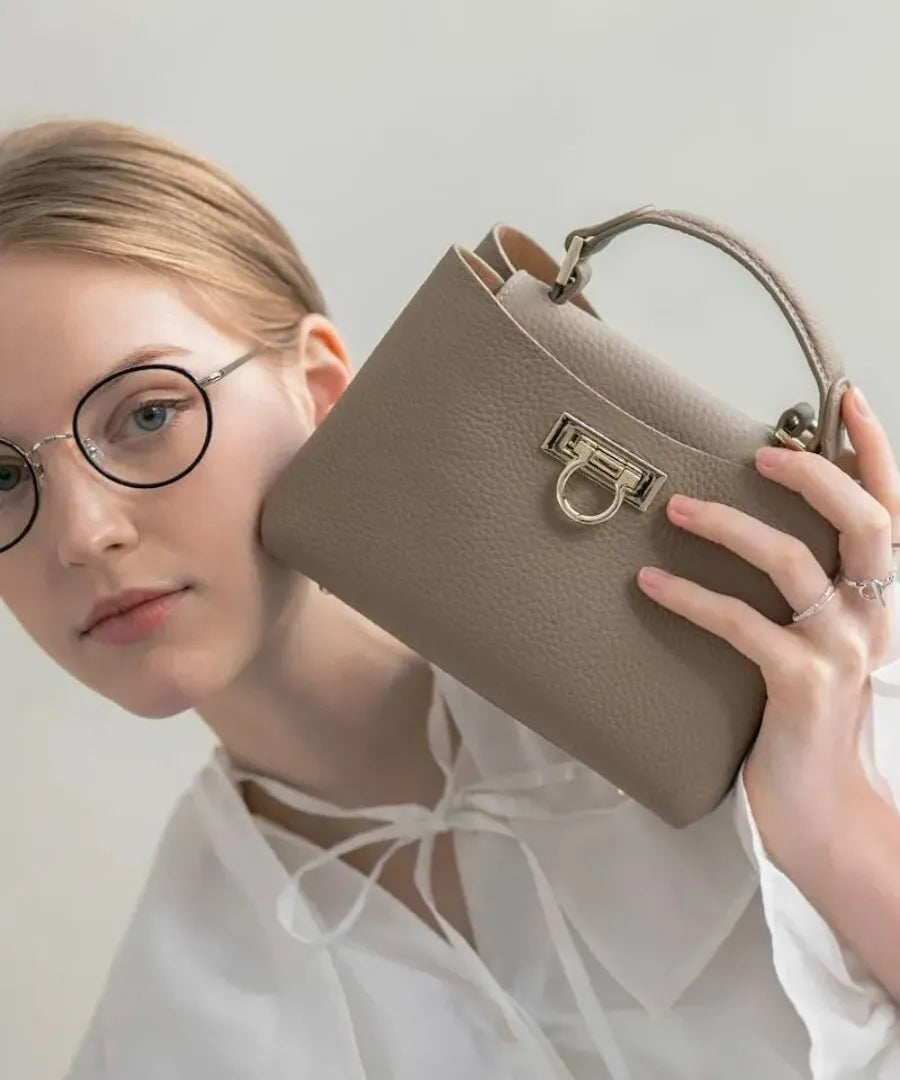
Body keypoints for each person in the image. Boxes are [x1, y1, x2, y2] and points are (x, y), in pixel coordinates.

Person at [1, 118, 899, 1080]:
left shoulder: (789, 675)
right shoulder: (165, 1027)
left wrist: (829, 820)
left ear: (322, 387)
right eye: (0, 477)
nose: (85, 532)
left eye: (146, 413)